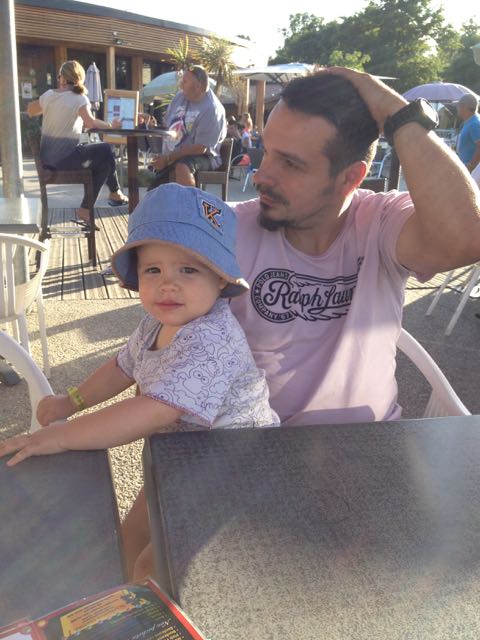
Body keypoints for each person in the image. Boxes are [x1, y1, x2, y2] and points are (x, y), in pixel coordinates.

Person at [0, 183, 279, 577]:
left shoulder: (211, 339)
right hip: (182, 456)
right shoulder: (155, 322)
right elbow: (123, 366)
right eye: (153, 269)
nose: (168, 283)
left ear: (220, 278)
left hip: (234, 465)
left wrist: (61, 436)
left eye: (188, 269)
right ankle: (127, 595)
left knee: (159, 562)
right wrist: (72, 400)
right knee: (130, 535)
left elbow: (153, 411)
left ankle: (149, 607)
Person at [228, 67, 480, 426]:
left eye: (290, 163)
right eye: (267, 152)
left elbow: (467, 239)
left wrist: (396, 110)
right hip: (256, 443)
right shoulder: (226, 232)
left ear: (350, 178)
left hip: (368, 443)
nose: (262, 176)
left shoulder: (381, 223)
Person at [27, 60, 128, 228]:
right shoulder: (79, 99)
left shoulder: (49, 95)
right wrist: (111, 125)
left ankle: (97, 203)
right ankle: (110, 194)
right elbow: (90, 123)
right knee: (105, 149)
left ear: (62, 78)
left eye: (59, 76)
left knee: (103, 164)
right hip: (64, 160)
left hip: (47, 162)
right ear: (80, 78)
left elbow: (31, 110)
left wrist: (47, 106)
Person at [149, 65, 226, 189]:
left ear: (198, 86)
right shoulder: (179, 97)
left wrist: (168, 158)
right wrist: (151, 125)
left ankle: (190, 200)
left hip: (204, 157)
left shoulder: (212, 109)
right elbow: (167, 127)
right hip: (175, 155)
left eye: (185, 81)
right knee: (154, 195)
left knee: (182, 167)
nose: (181, 84)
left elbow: (200, 148)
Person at [455, 93, 480, 174]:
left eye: (458, 105)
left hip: (470, 172)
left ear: (463, 106)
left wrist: (470, 167)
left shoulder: (474, 124)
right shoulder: (470, 121)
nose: (457, 108)